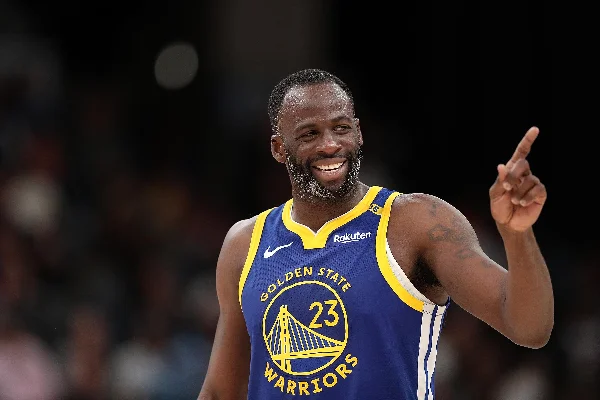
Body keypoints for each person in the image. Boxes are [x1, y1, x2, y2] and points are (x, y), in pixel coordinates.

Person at [197, 68, 554, 400]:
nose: (330, 144)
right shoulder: (245, 243)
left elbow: (530, 328)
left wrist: (516, 234)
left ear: (358, 132)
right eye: (310, 133)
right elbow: (219, 392)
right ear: (278, 148)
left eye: (340, 128)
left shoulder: (416, 222)